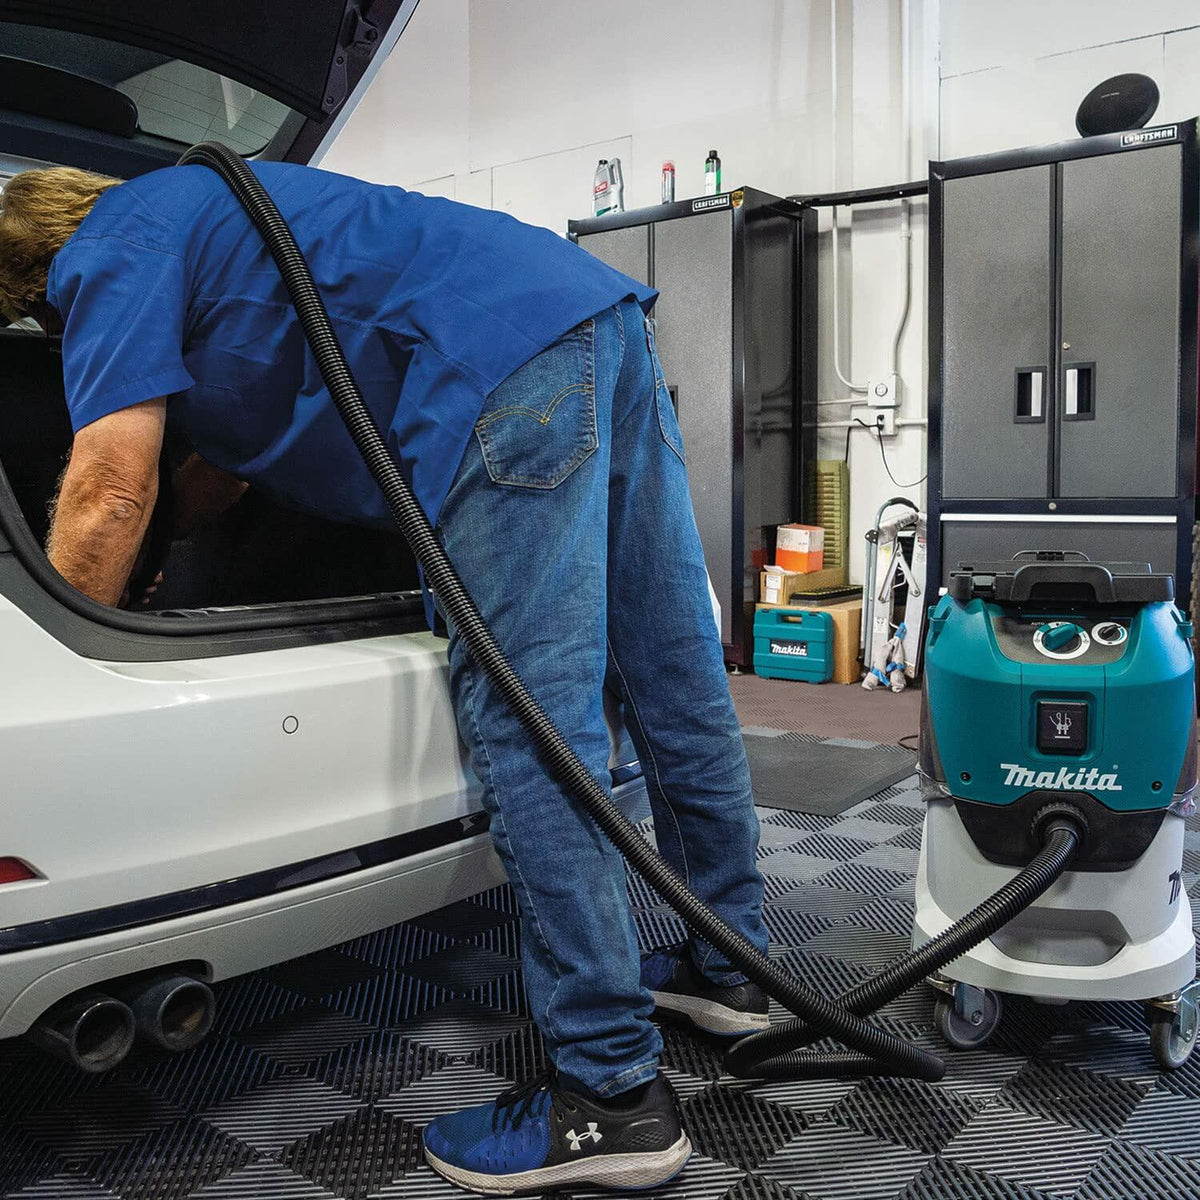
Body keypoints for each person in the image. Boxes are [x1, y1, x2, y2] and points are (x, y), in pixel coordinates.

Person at [0, 161, 770, 1195]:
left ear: (32, 285)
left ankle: (610, 1095)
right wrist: (163, 548)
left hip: (496, 374)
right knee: (669, 677)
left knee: (532, 724)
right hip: (592, 323)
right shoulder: (203, 218)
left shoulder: (110, 253)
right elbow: (218, 466)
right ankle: (737, 973)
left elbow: (106, 488)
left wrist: (77, 624)